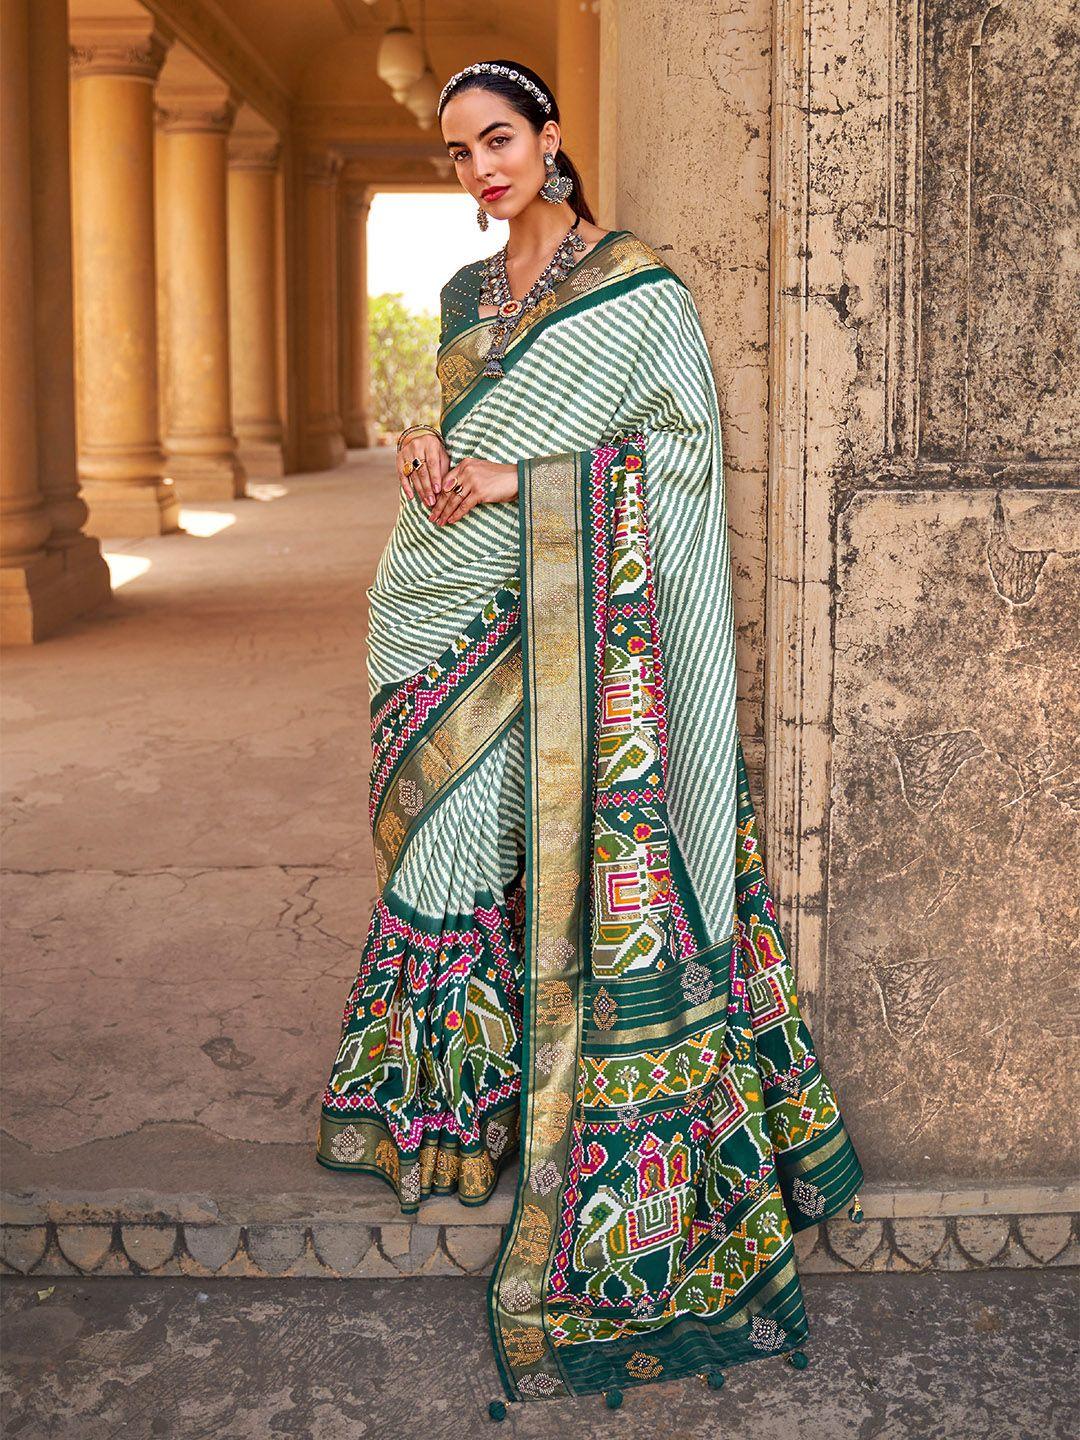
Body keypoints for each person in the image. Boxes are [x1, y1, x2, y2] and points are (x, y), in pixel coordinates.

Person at [315, 58, 865, 1416]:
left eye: (499, 139)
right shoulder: (462, 298)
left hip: (569, 620)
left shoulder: (640, 290)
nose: (481, 167)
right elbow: (465, 431)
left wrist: (532, 477)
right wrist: (434, 463)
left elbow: (676, 449)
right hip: (443, 603)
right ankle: (439, 1123)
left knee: (516, 855)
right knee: (440, 846)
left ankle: (528, 1131)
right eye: (456, 153)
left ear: (551, 140)